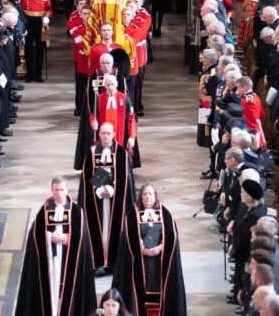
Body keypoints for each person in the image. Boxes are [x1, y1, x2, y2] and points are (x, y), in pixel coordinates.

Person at [14, 177, 97, 316]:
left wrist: (65, 238)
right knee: (51, 288)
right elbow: (34, 234)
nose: (59, 193)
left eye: (61, 190)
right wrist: (48, 237)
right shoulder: (45, 210)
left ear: (67, 190)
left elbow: (82, 238)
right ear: (52, 190)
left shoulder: (76, 211)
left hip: (67, 259)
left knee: (67, 288)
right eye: (56, 190)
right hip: (50, 261)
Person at [113, 184, 187, 316]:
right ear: (140, 197)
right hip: (140, 261)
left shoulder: (165, 213)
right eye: (145, 194)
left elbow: (172, 236)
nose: (148, 197)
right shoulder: (132, 214)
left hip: (159, 262)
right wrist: (141, 249)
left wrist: (160, 247)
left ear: (155, 196)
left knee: (157, 292)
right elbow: (127, 237)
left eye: (151, 194)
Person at [80, 123, 136, 276]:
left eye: (108, 133)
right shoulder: (92, 153)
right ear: (99, 135)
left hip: (115, 199)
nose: (105, 136)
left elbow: (125, 179)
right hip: (98, 199)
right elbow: (88, 178)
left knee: (114, 227)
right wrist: (99, 190)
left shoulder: (120, 153)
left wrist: (111, 190)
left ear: (113, 134)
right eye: (103, 133)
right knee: (98, 228)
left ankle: (113, 262)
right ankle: (98, 262)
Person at [20, 0, 52, 83]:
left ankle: (38, 74)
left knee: (40, 48)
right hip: (27, 21)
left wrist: (47, 16)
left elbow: (49, 7)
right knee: (28, 48)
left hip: (40, 22)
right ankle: (30, 74)